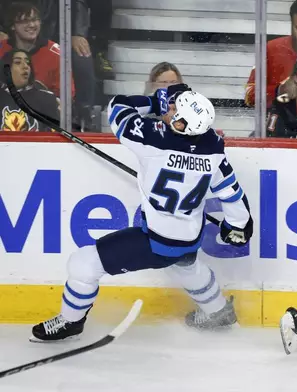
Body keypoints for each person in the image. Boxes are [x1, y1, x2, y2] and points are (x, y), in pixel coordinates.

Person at [30, 84, 254, 342]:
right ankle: (218, 312)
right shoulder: (214, 146)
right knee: (185, 265)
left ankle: (70, 322)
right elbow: (230, 191)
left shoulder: (152, 138)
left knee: (83, 264)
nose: (170, 112)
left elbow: (117, 107)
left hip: (158, 242)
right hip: (190, 237)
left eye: (175, 112)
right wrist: (237, 224)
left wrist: (153, 101)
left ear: (182, 125)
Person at [0, 2, 76, 99]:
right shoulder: (2, 49)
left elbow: (67, 95)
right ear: (13, 26)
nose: (32, 25)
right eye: (25, 21)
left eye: (35, 20)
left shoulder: (56, 54)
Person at [0, 48, 59, 132]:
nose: (25, 66)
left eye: (28, 63)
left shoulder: (46, 98)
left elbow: (55, 137)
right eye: (18, 62)